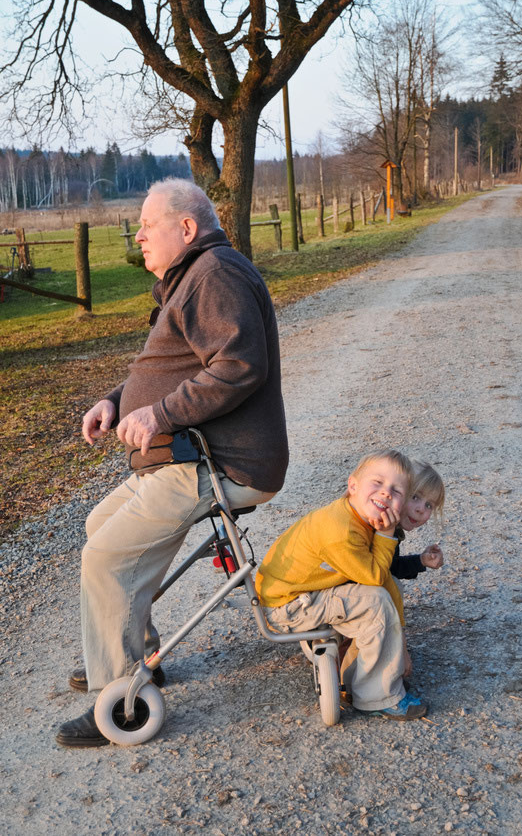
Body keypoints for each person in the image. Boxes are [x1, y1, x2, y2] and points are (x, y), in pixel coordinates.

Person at [56, 178, 289, 747]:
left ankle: (121, 696)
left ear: (186, 228)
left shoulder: (216, 275)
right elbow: (174, 365)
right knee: (101, 529)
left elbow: (238, 365)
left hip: (220, 462)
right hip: (185, 459)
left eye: (146, 224)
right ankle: (138, 653)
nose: (137, 235)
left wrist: (160, 415)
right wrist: (117, 400)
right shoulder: (191, 279)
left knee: (107, 557)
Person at [255, 450, 428, 721]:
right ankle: (375, 695)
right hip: (286, 607)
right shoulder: (342, 531)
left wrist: (401, 641)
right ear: (353, 486)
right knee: (375, 601)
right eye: (378, 483)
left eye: (396, 491)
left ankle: (360, 666)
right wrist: (385, 534)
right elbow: (374, 579)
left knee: (386, 589)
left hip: (300, 593)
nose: (385, 494)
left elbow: (385, 579)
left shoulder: (357, 515)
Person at [390, 461, 446, 679]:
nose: (421, 508)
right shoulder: (382, 525)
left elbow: (392, 566)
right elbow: (383, 579)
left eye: (429, 505)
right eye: (415, 497)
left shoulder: (392, 527)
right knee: (392, 587)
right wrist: (402, 647)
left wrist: (421, 560)